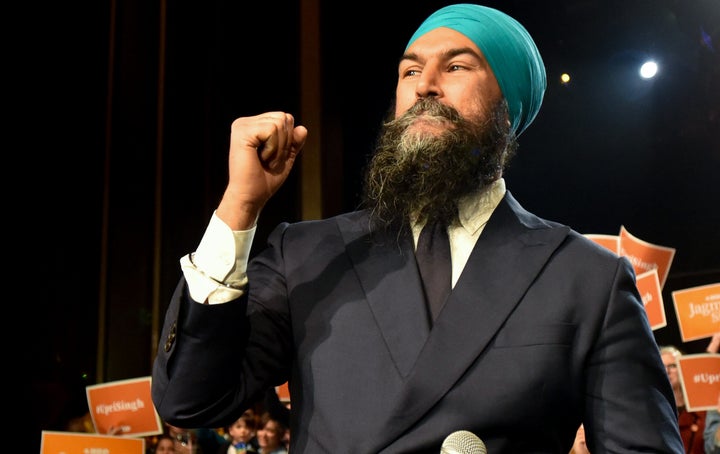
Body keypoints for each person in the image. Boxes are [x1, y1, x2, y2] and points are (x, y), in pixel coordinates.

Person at [151, 3, 684, 452]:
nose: (425, 85)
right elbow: (190, 399)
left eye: (456, 67)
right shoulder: (307, 253)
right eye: (409, 71)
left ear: (508, 108)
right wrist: (238, 208)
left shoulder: (587, 279)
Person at [661, 345, 707, 454]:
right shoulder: (654, 409)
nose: (667, 371)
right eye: (662, 366)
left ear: (683, 369)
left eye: (672, 366)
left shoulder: (701, 408)